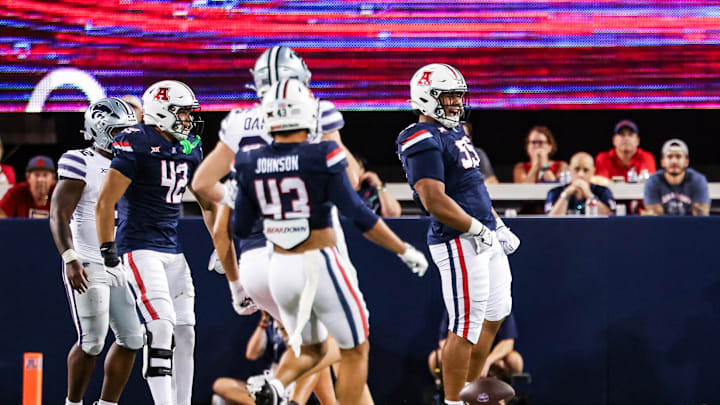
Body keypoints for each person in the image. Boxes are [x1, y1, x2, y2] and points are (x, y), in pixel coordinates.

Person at [191, 46, 374, 403]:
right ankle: (282, 390)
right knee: (344, 344)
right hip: (311, 245)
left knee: (311, 344)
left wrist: (245, 196)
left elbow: (200, 184)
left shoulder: (240, 121)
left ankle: (289, 391)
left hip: (258, 257)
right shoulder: (316, 111)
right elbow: (351, 179)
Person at [233, 78, 428, 404]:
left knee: (312, 349)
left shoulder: (250, 160)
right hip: (318, 263)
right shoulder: (323, 153)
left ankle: (277, 384)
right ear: (307, 114)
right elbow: (357, 212)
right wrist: (403, 248)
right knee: (355, 351)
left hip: (278, 267)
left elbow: (240, 226)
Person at [397, 63, 519, 405]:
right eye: (448, 95)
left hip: (482, 233)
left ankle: (470, 390)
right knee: (466, 325)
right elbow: (433, 198)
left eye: (457, 95)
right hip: (458, 240)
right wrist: (476, 227)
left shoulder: (454, 133)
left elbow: (473, 189)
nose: (455, 102)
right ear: (426, 97)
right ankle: (453, 401)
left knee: (495, 314)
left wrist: (497, 223)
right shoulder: (419, 136)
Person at [95, 80, 217, 405]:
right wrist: (109, 253)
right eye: (182, 113)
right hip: (138, 247)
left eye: (190, 114)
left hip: (172, 251)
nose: (188, 121)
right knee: (161, 327)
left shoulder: (190, 145)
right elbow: (106, 202)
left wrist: (221, 243)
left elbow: (207, 202)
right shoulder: (135, 140)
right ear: (162, 112)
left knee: (186, 332)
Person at [49, 98, 144, 405]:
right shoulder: (80, 160)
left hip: (119, 263)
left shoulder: (130, 163)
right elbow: (58, 215)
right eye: (120, 131)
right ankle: (73, 403)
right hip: (88, 261)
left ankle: (107, 403)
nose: (126, 138)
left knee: (132, 338)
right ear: (101, 130)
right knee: (91, 341)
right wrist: (70, 258)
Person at [211, 311, 335, 405]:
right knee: (221, 384)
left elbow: (299, 353)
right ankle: (273, 401)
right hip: (275, 377)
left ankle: (289, 401)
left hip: (295, 376)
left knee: (314, 361)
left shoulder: (298, 317)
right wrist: (264, 321)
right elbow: (251, 354)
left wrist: (283, 326)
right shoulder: (271, 324)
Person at [428, 312, 524, 395]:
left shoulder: (500, 302)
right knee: (436, 358)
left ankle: (506, 394)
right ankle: (447, 391)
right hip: (462, 360)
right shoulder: (455, 303)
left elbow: (508, 342)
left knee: (515, 360)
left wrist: (488, 361)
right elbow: (444, 341)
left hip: (493, 363)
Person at [643, 139, 710, 216]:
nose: (674, 161)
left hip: (691, 226)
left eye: (678, 156)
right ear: (662, 162)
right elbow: (655, 217)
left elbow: (701, 216)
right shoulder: (653, 181)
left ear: (686, 162)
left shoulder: (698, 180)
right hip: (663, 226)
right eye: (669, 156)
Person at [545, 152, 616, 216]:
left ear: (593, 171)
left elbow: (610, 218)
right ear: (569, 170)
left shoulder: (603, 191)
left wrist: (589, 195)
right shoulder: (555, 192)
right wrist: (565, 195)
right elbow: (551, 221)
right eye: (576, 169)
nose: (581, 174)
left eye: (586, 170)